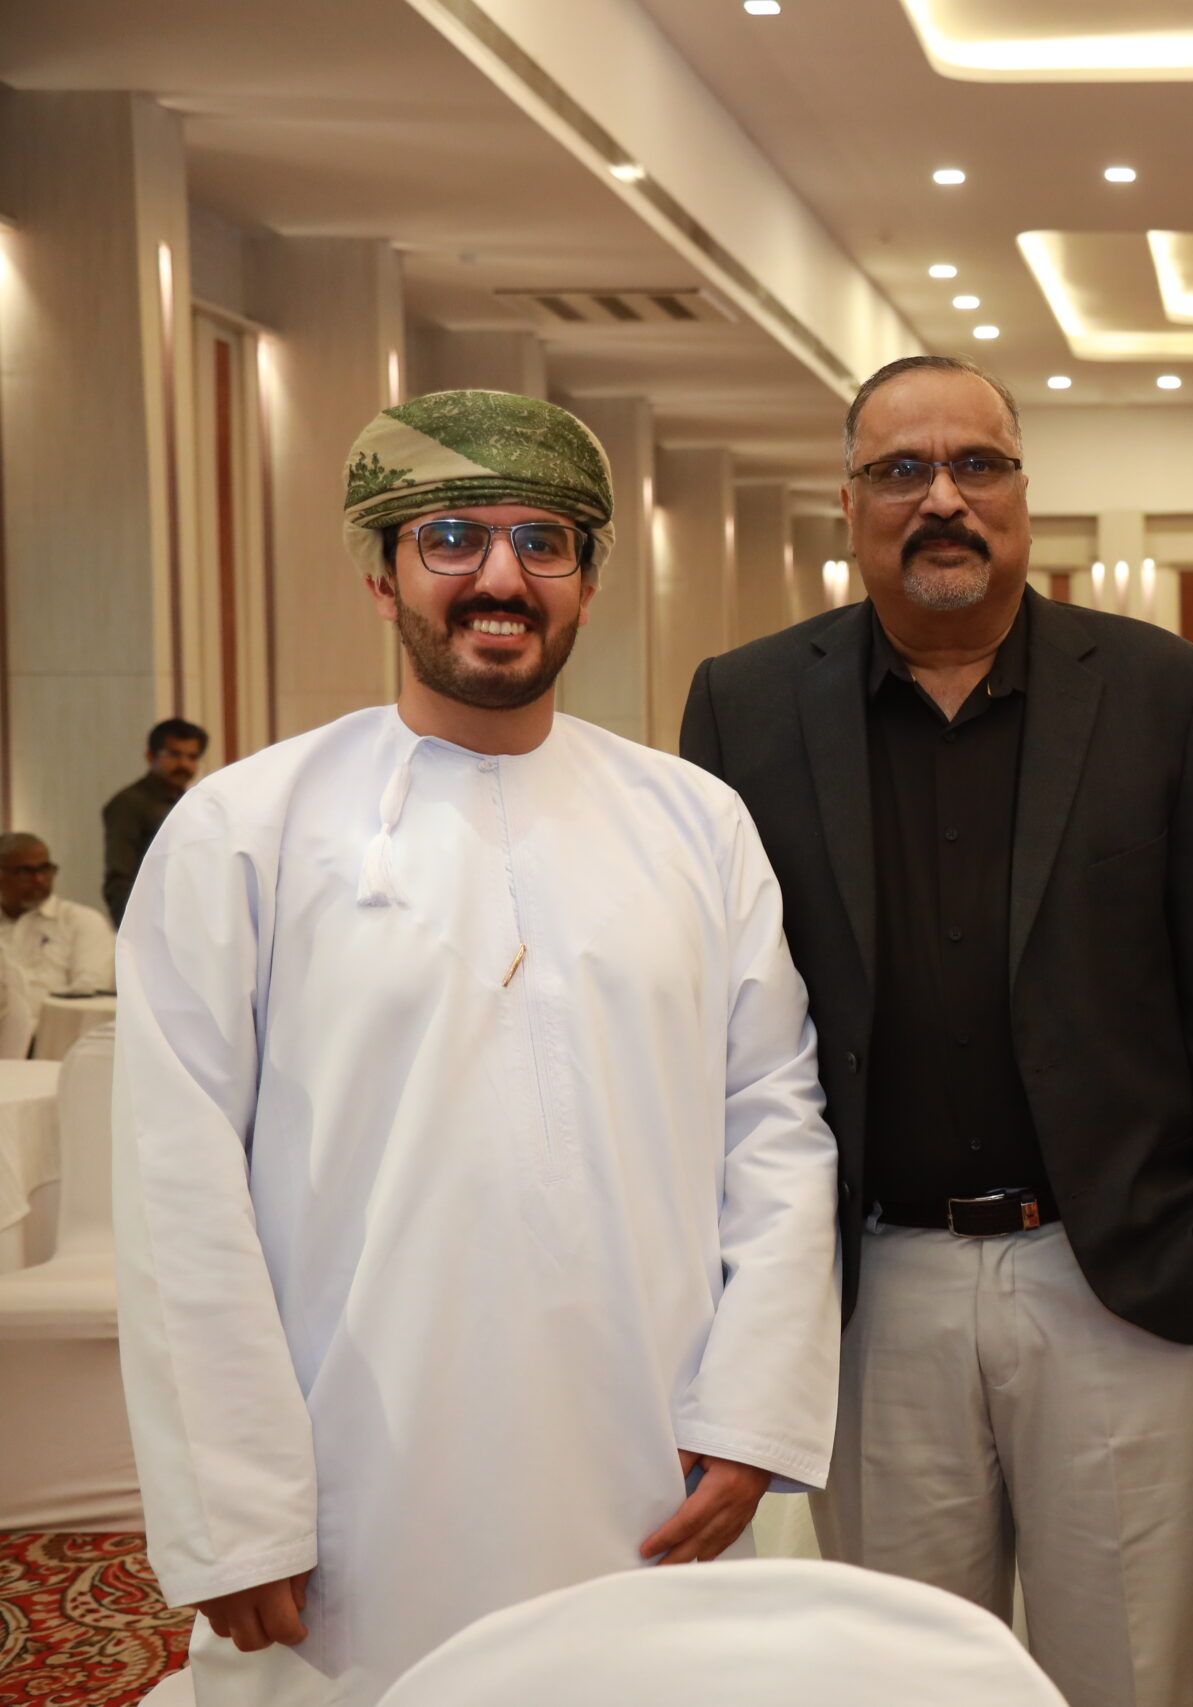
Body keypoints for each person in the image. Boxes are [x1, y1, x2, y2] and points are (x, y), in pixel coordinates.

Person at [116, 389, 841, 1707]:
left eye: (543, 541)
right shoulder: (244, 829)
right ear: (381, 575)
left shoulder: (696, 822)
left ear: (586, 582)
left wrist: (752, 1415)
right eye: (451, 536)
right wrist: (233, 1503)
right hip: (361, 1481)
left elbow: (775, 1125)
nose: (501, 577)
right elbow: (179, 1189)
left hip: (652, 1457)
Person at [681, 355, 1193, 1707]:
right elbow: (713, 1021)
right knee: (903, 1682)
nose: (943, 498)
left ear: (1022, 495)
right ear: (849, 504)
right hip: (872, 1288)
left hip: (1120, 1278)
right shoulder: (746, 705)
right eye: (902, 469)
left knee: (1133, 1682)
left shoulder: (1162, 690)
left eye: (977, 465)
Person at [102, 717, 208, 924]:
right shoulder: (129, 803)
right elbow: (120, 876)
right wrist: (132, 928)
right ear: (151, 756)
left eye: (192, 757)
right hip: (152, 921)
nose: (184, 764)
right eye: (174, 755)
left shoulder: (193, 803)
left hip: (191, 917)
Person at [0, 832, 116, 995]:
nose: (39, 879)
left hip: (61, 1012)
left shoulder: (82, 921)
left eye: (45, 869)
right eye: (25, 872)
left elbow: (90, 991)